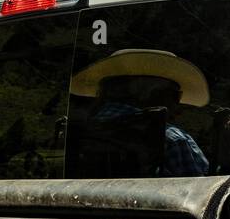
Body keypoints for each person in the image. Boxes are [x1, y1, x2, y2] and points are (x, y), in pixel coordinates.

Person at [71, 48, 210, 176]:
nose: (177, 103)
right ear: (145, 92)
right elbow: (202, 195)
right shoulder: (171, 139)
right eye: (174, 95)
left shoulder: (76, 130)